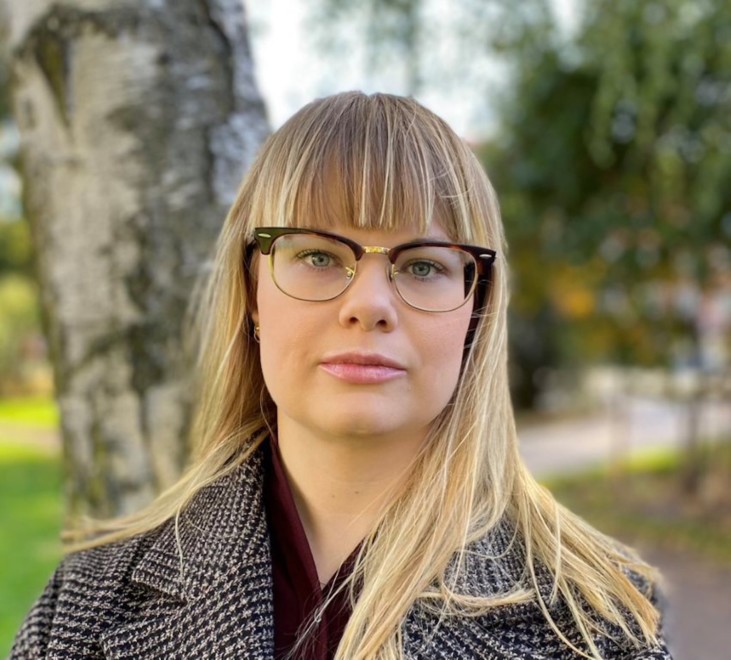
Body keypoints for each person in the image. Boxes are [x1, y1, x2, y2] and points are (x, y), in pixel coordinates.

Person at [11, 91, 672, 659]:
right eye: (319, 256)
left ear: (476, 308)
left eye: (421, 265)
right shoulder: (87, 611)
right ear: (251, 294)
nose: (368, 306)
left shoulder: (595, 624)